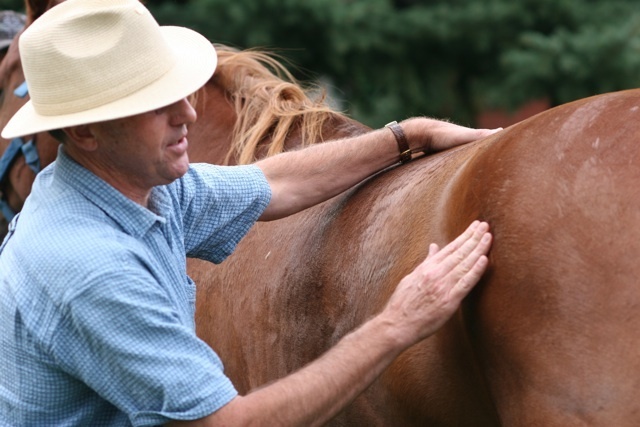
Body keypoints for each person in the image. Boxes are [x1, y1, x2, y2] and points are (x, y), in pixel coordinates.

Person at [0, 0, 497, 425]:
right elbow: (227, 422)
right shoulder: (88, 268)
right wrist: (397, 325)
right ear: (85, 133)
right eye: (155, 105)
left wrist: (404, 137)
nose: (188, 115)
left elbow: (274, 182)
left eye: (180, 93)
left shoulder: (131, 187)